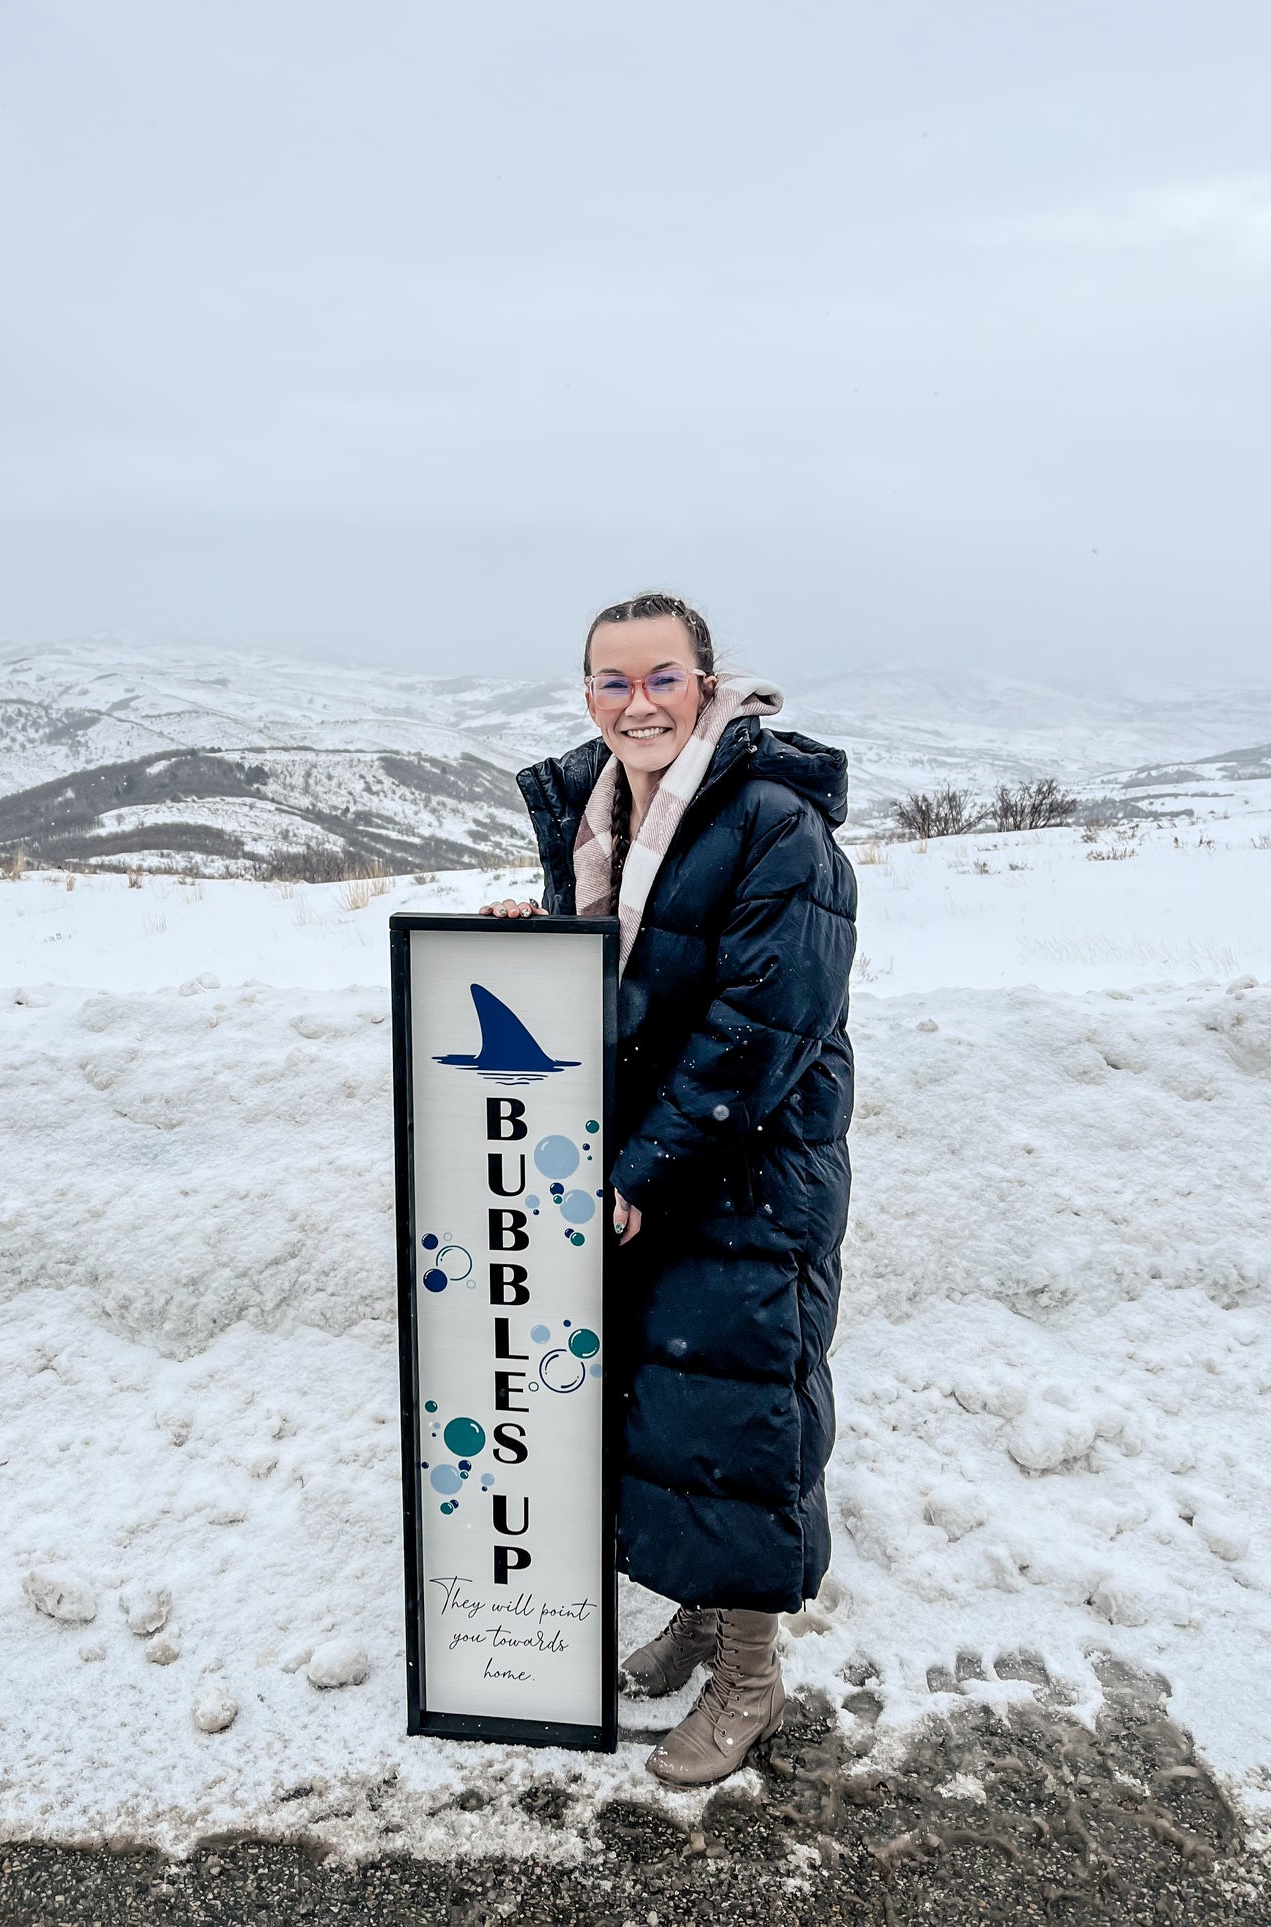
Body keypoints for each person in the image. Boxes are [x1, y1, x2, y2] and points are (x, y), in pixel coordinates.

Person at [483, 591, 856, 1786]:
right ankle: (701, 1613)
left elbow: (761, 1021)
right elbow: (635, 978)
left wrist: (639, 1170)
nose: (633, 702)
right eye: (610, 681)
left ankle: (749, 1673)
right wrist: (531, 942)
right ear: (584, 692)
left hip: (745, 1166)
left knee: (740, 1415)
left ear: (707, 682)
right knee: (668, 1406)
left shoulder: (770, 820)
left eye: (658, 678)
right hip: (646, 1157)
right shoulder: (602, 810)